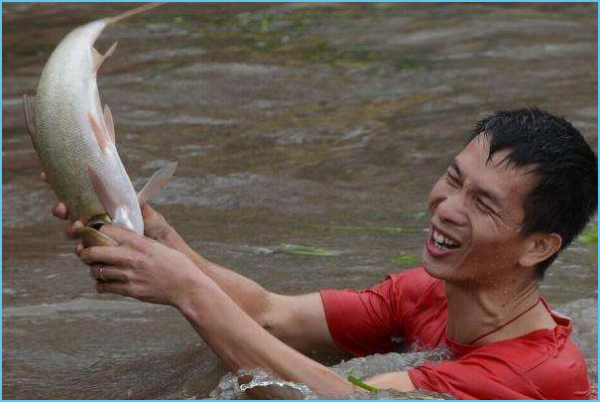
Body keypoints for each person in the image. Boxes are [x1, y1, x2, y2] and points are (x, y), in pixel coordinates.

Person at [49, 108, 597, 399]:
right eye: (453, 179)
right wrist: (157, 238)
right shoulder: (428, 292)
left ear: (539, 246)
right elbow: (272, 315)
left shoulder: (533, 377)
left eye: (482, 203)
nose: (448, 207)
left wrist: (188, 291)